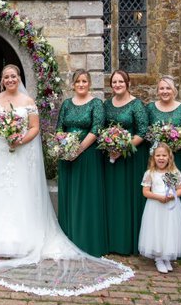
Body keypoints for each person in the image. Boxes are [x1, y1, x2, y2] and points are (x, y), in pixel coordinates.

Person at [0, 65, 133, 296]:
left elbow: (35, 128)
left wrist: (20, 140)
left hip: (20, 153)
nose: (10, 79)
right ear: (2, 81)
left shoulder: (27, 101)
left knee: (20, 193)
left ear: (18, 78)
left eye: (14, 76)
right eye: (6, 77)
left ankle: (24, 239)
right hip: (1, 152)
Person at [145, 75, 181, 255]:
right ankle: (157, 243)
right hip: (158, 159)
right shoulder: (151, 109)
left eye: (168, 88)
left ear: (174, 90)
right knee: (158, 192)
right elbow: (146, 132)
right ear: (157, 90)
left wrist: (178, 142)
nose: (165, 91)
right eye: (161, 88)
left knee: (177, 194)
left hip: (178, 158)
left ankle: (178, 243)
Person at [55, 69, 107, 257]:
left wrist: (79, 149)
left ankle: (86, 239)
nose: (81, 84)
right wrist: (65, 146)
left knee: (86, 196)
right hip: (67, 156)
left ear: (89, 83)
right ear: (73, 84)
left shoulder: (96, 104)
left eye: (84, 81)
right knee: (69, 194)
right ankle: (68, 236)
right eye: (78, 82)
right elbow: (60, 127)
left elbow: (96, 128)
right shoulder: (67, 104)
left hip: (87, 155)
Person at [102, 70, 149, 255]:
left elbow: (143, 131)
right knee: (113, 198)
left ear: (127, 83)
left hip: (131, 157)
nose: (117, 84)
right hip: (111, 158)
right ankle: (112, 240)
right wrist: (110, 145)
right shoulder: (107, 104)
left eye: (121, 81)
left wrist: (123, 148)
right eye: (114, 82)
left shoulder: (136, 104)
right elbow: (103, 128)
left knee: (128, 197)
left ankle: (129, 241)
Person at [138, 143, 181, 274]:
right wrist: (158, 197)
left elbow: (180, 189)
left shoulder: (172, 173)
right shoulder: (151, 173)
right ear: (153, 158)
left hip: (170, 207)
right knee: (157, 230)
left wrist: (173, 195)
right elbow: (145, 192)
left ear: (169, 157)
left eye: (164, 155)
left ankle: (167, 257)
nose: (161, 158)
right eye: (158, 155)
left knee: (168, 230)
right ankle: (158, 258)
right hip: (155, 206)